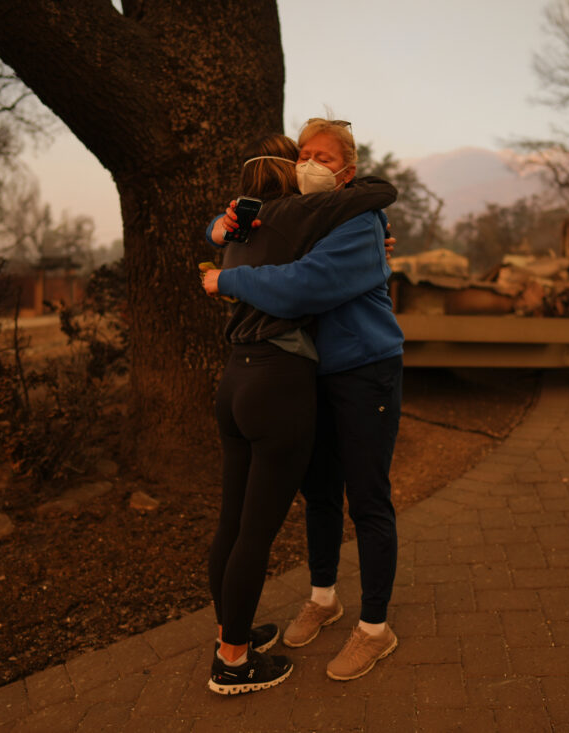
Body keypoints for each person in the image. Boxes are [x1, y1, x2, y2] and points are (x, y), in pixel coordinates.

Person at [203, 118, 404, 682]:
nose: (311, 164)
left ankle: (374, 628)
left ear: (347, 171)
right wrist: (218, 227)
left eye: (324, 157)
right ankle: (323, 598)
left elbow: (305, 285)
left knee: (367, 499)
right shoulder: (307, 216)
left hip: (364, 369)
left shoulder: (358, 219)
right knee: (319, 494)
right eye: (304, 155)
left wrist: (226, 281)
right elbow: (244, 228)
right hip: (313, 372)